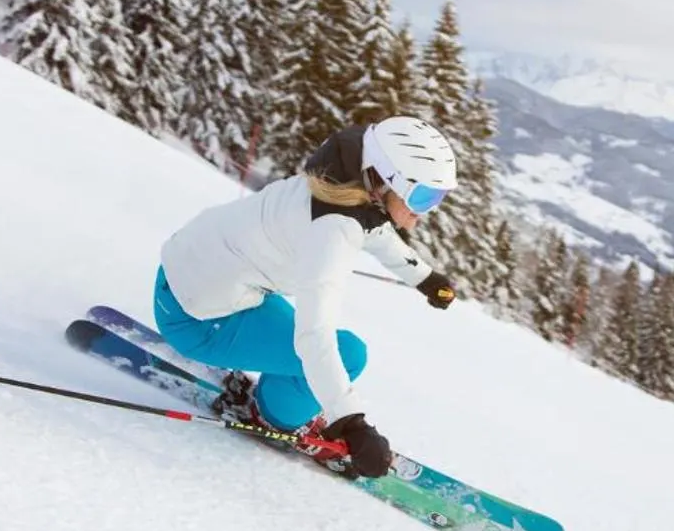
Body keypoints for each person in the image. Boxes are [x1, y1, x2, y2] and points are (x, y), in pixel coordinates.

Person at [152, 117, 460, 478]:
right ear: (387, 180)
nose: (426, 211)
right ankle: (272, 416)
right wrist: (350, 422)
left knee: (322, 355)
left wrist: (422, 276)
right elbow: (314, 336)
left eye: (438, 197)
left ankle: (277, 390)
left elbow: (372, 228)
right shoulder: (332, 233)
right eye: (423, 196)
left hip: (189, 280)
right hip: (196, 319)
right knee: (348, 354)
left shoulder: (342, 178)